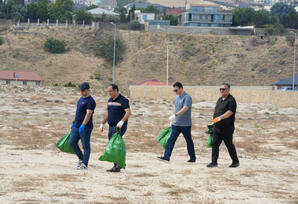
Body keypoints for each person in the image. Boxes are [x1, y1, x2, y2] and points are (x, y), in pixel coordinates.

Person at [158, 82, 196, 163]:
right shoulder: (177, 97)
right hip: (176, 124)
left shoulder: (187, 97)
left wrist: (175, 115)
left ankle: (192, 158)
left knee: (188, 140)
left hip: (185, 124)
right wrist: (173, 118)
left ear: (181, 88)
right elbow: (176, 107)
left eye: (176, 90)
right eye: (174, 90)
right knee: (171, 140)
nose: (175, 92)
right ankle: (166, 156)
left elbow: (185, 108)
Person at [99, 84, 131, 172]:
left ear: (116, 90)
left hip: (119, 127)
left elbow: (128, 112)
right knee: (111, 145)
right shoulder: (109, 100)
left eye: (111, 91)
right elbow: (108, 113)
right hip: (111, 126)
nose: (109, 93)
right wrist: (102, 123)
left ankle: (118, 165)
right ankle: (116, 166)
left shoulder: (123, 100)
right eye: (108, 91)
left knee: (114, 145)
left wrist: (122, 121)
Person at [207, 83, 240, 168]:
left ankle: (235, 161)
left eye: (223, 89)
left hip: (227, 128)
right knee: (215, 144)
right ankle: (214, 162)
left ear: (228, 90)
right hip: (217, 128)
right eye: (220, 89)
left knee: (229, 144)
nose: (221, 91)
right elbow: (217, 111)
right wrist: (213, 122)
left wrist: (220, 118)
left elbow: (230, 112)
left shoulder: (231, 100)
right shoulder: (219, 99)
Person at [69, 82, 96, 170]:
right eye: (80, 90)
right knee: (72, 142)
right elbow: (78, 112)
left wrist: (83, 125)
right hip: (76, 125)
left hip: (85, 127)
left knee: (85, 145)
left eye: (83, 90)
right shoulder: (80, 99)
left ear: (88, 90)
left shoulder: (91, 101)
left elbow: (88, 114)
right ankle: (81, 158)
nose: (81, 91)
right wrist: (73, 122)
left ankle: (84, 164)